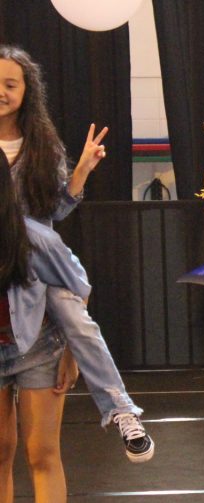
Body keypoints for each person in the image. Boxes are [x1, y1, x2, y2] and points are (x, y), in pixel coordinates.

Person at [0, 44, 153, 462]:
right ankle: (78, 284)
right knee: (45, 249)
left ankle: (121, 410)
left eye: (11, 84)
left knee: (77, 320)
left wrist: (82, 170)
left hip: (37, 268)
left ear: (26, 91)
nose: (2, 92)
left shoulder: (41, 146)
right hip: (18, 257)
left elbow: (55, 210)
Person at [1, 151, 90, 503]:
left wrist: (72, 354)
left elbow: (78, 288)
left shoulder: (34, 236)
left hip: (38, 345)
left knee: (41, 452)